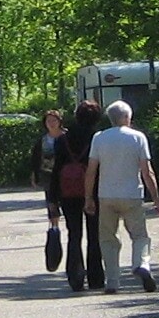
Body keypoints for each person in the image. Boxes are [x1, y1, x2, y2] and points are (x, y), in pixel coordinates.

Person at [85, 99, 159, 292]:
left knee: (108, 239)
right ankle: (141, 264)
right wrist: (157, 201)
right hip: (132, 195)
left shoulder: (99, 138)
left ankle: (113, 282)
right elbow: (147, 172)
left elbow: (91, 170)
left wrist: (88, 197)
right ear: (126, 117)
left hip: (106, 195)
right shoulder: (138, 137)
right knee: (140, 235)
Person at [52, 99, 105, 290]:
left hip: (68, 191)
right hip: (94, 189)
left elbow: (56, 169)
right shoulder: (98, 138)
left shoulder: (62, 139)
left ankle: (75, 276)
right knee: (94, 234)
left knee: (74, 234)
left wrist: (52, 198)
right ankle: (96, 277)